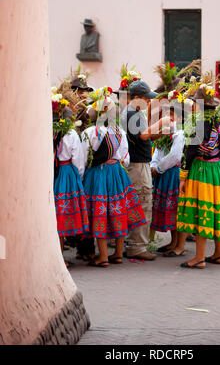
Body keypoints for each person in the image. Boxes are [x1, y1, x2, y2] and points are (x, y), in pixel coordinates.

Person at [177, 77, 220, 269]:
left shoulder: (200, 123)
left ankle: (199, 258)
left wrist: (183, 176)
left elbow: (190, 150)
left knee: (200, 212)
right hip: (218, 170)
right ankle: (218, 254)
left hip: (201, 170)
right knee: (217, 210)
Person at [82, 92, 146, 267]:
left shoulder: (90, 132)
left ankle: (102, 256)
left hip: (98, 174)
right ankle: (117, 253)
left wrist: (82, 177)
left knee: (99, 213)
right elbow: (126, 158)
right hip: (117, 173)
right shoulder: (120, 132)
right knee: (119, 211)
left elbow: (83, 159)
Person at [120, 80, 170, 261]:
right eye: (146, 99)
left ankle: (133, 244)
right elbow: (142, 135)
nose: (149, 102)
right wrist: (161, 123)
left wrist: (161, 133)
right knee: (142, 203)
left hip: (139, 163)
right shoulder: (132, 112)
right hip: (138, 165)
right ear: (138, 98)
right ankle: (137, 247)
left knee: (139, 202)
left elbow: (144, 136)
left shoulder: (133, 112)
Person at [52, 97, 90, 268]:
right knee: (64, 214)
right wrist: (79, 178)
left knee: (56, 214)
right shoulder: (71, 134)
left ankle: (58, 255)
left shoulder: (50, 132)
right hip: (68, 174)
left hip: (52, 172)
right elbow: (78, 160)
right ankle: (60, 258)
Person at [150, 102, 185, 253]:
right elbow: (157, 151)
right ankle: (173, 241)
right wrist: (153, 165)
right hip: (163, 173)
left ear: (179, 118)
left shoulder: (180, 134)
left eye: (171, 115)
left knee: (175, 207)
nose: (168, 118)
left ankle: (178, 244)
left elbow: (175, 156)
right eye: (165, 115)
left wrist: (159, 168)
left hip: (173, 174)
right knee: (168, 208)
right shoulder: (164, 133)